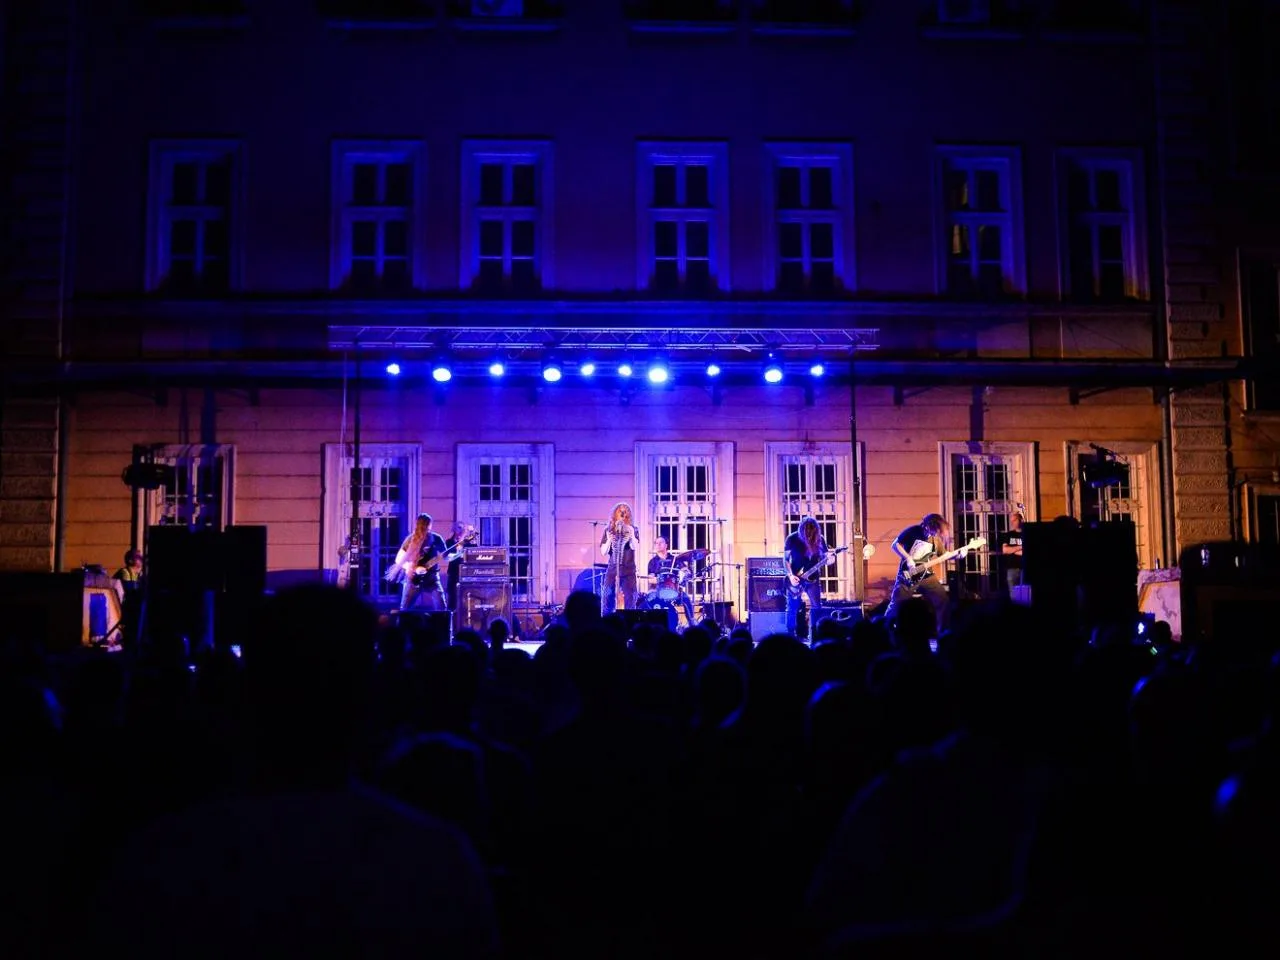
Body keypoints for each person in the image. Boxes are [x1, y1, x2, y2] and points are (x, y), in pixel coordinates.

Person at [884, 513, 966, 638]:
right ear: (927, 526)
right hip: (907, 576)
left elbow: (944, 555)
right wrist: (908, 558)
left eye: (937, 531)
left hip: (926, 576)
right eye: (933, 530)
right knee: (896, 605)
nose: (933, 534)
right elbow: (895, 545)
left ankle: (941, 633)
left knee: (942, 599)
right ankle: (882, 630)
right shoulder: (913, 531)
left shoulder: (935, 540)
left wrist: (958, 555)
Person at [785, 516, 831, 643]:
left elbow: (826, 558)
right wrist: (790, 575)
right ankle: (790, 636)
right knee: (792, 607)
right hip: (796, 578)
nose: (809, 536)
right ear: (801, 530)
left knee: (817, 607)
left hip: (813, 579)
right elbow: (786, 560)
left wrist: (830, 559)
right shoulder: (792, 539)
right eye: (806, 532)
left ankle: (815, 636)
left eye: (812, 532)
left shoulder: (819, 539)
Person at [395, 513, 449, 612]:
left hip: (432, 579)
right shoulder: (411, 539)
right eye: (426, 524)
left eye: (429, 524)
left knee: (442, 608)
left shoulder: (436, 538)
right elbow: (398, 559)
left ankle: (443, 622)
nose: (427, 527)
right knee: (405, 610)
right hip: (413, 579)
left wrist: (458, 553)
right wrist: (414, 568)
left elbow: (446, 557)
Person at [647, 536, 696, 630]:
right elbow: (650, 579)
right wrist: (659, 580)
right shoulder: (652, 562)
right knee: (648, 599)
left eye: (660, 542)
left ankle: (692, 624)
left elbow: (685, 570)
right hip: (657, 591)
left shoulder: (675, 559)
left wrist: (686, 573)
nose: (658, 545)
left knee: (686, 598)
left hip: (674, 590)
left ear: (666, 545)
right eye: (656, 543)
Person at [599, 501, 639, 615]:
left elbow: (635, 547)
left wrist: (631, 534)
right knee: (607, 597)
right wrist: (609, 540)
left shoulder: (634, 529)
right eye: (620, 511)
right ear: (615, 513)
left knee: (630, 599)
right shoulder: (608, 529)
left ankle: (630, 622)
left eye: (625, 511)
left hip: (628, 570)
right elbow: (603, 552)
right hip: (612, 570)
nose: (623, 513)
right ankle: (607, 620)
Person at [444, 520, 473, 612]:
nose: (462, 530)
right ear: (454, 529)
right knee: (452, 598)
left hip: (465, 574)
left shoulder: (467, 543)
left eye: (463, 528)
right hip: (453, 573)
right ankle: (451, 617)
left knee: (464, 598)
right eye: (459, 527)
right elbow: (447, 556)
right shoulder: (448, 542)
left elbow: (473, 555)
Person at [999, 511, 1025, 597]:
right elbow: (1005, 550)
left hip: (1025, 568)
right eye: (1011, 521)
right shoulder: (1008, 535)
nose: (1012, 523)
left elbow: (1027, 552)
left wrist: (1012, 550)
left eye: (1014, 520)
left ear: (1021, 520)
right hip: (1012, 568)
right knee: (1013, 595)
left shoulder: (1026, 534)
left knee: (1025, 594)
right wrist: (1021, 546)